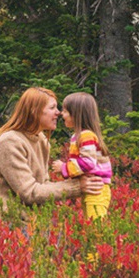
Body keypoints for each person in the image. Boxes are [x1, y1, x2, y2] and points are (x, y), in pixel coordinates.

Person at [0, 87, 104, 207]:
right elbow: (29, 193)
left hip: (29, 219)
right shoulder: (9, 142)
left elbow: (43, 184)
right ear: (34, 110)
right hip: (2, 220)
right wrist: (77, 186)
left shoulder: (41, 140)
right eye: (52, 108)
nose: (58, 113)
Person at [50, 92, 112, 220]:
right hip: (91, 188)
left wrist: (64, 168)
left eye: (66, 111)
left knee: (96, 227)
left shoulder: (86, 136)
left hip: (97, 189)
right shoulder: (78, 136)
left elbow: (88, 163)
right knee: (90, 223)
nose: (62, 114)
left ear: (76, 115)